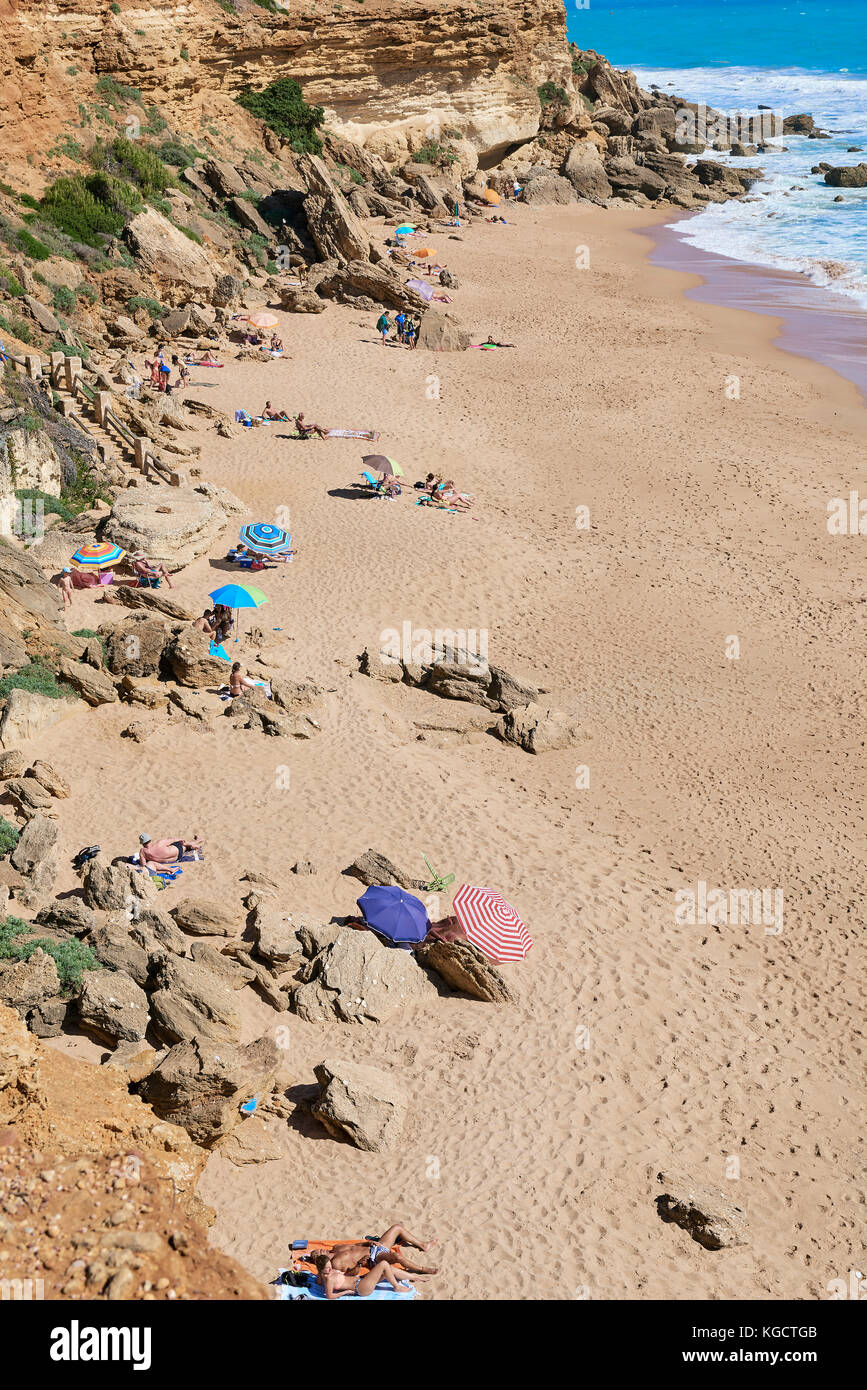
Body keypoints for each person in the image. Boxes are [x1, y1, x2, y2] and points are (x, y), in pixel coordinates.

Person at [314, 1226, 438, 1280]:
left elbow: (355, 1245)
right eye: (318, 1253)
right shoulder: (335, 1263)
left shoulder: (336, 1247)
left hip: (375, 1247)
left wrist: (367, 1243)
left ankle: (423, 1245)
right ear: (320, 1260)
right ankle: (422, 1269)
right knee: (397, 1256)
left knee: (397, 1228)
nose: (321, 1249)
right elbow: (349, 1274)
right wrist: (359, 1265)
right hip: (374, 1257)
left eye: (319, 1249)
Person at [138, 833, 204, 867]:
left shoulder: (143, 852)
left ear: (143, 844)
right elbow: (173, 839)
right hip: (178, 850)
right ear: (150, 840)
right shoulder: (159, 843)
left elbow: (143, 866)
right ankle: (195, 842)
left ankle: (193, 843)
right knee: (180, 843)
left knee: (181, 845)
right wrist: (181, 840)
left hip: (176, 858)